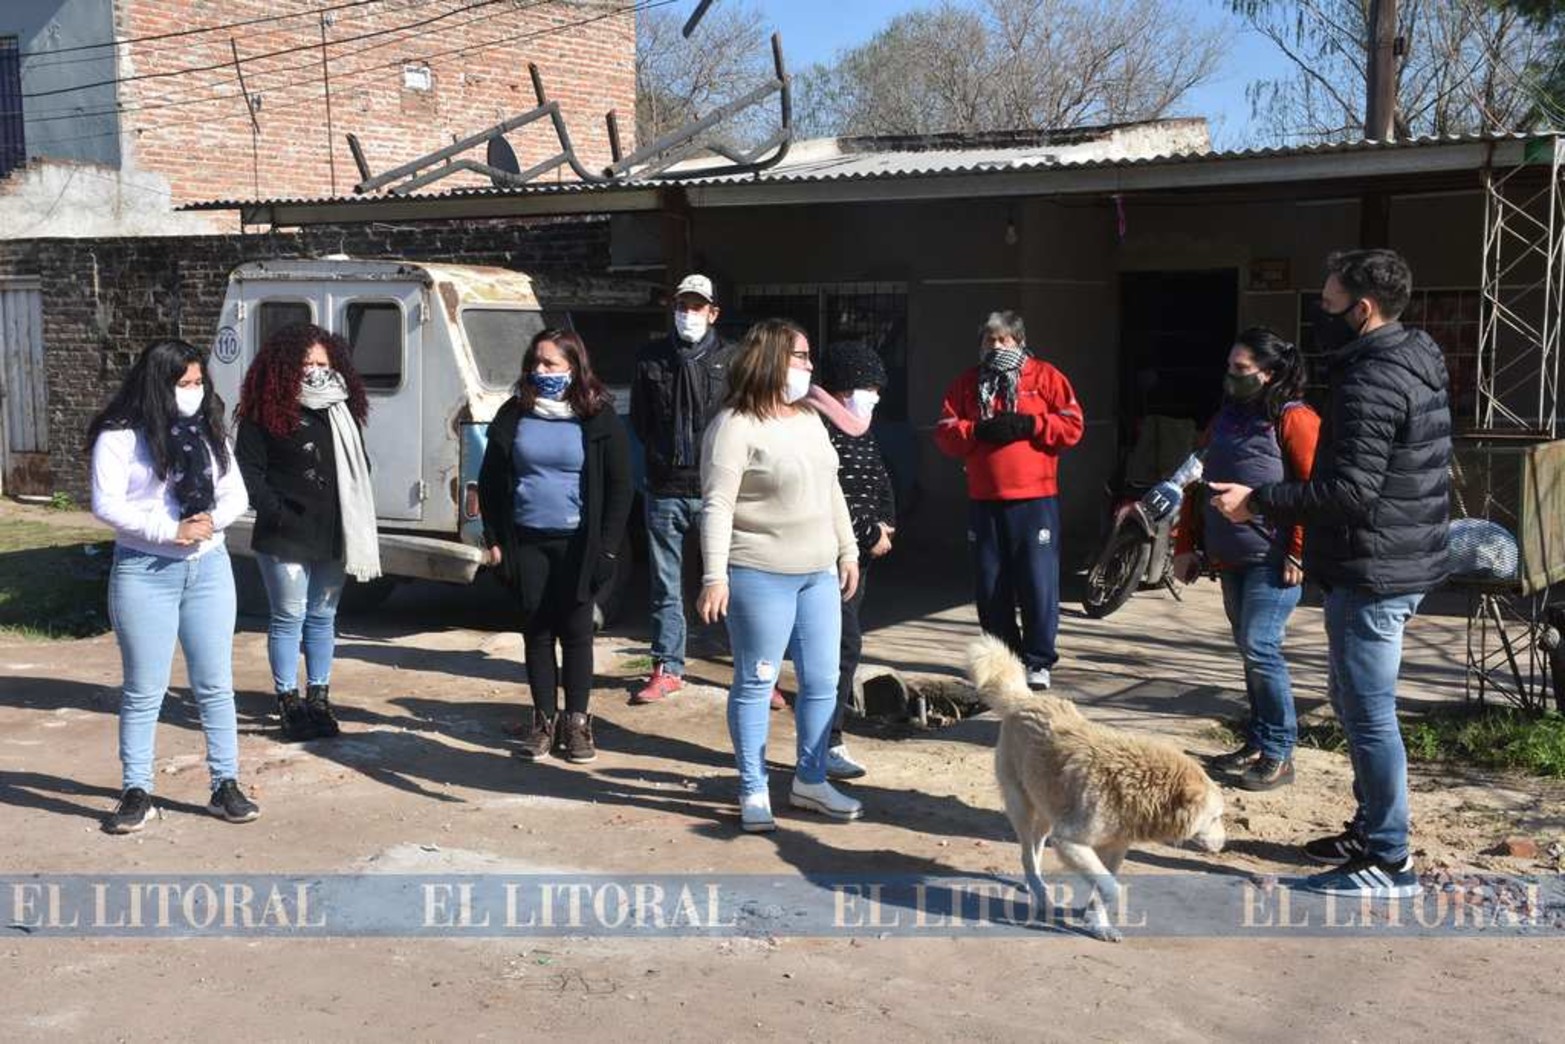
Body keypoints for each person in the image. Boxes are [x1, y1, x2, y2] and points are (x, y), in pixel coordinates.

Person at [1210, 248, 1451, 898]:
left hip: (1375, 567)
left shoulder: (1372, 380)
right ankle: (1370, 828)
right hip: (1388, 559)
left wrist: (1257, 500)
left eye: (1327, 303)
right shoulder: (1413, 359)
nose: (1320, 313)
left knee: (1368, 714)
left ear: (1361, 308)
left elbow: (1348, 491)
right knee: (1352, 704)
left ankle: (1388, 859)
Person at [697, 319, 862, 832]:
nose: (809, 366)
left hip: (818, 573)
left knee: (822, 680)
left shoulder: (810, 418)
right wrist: (713, 575)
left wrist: (848, 549)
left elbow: (831, 487)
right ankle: (753, 787)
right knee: (756, 680)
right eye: (801, 356)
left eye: (809, 356)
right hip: (758, 575)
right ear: (769, 359)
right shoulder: (734, 426)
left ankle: (810, 779)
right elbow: (717, 505)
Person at [88, 339, 258, 833]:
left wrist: (208, 522)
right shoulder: (120, 436)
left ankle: (225, 784)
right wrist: (171, 530)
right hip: (145, 569)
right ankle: (136, 789)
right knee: (145, 689)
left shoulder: (208, 430)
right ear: (156, 384)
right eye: (183, 384)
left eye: (198, 382)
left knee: (215, 684)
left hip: (208, 568)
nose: (193, 392)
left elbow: (235, 492)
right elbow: (107, 503)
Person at [1172, 328, 1320, 792]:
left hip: (1272, 559)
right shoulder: (1225, 420)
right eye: (1230, 367)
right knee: (1250, 653)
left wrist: (1298, 547)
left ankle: (1279, 752)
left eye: (1241, 369)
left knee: (1260, 647)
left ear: (1269, 373)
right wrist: (1186, 546)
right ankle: (1257, 743)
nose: (1231, 376)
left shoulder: (1295, 420)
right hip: (1230, 557)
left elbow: (1312, 491)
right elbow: (1196, 484)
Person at [479, 329, 632, 763]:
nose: (540, 371)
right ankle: (544, 720)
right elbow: (491, 481)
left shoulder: (598, 416)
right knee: (538, 630)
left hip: (579, 543)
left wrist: (608, 548)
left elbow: (620, 488)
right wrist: (494, 539)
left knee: (577, 632)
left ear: (573, 367)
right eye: (536, 363)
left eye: (550, 364)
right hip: (527, 540)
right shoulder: (515, 413)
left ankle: (578, 723)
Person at [236, 322, 379, 742]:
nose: (315, 370)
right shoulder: (262, 414)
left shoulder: (341, 409)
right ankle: (288, 700)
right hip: (285, 532)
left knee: (322, 617)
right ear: (284, 367)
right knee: (289, 616)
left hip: (333, 531)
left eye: (322, 362)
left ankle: (319, 697)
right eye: (306, 363)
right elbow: (249, 473)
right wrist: (278, 510)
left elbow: (360, 466)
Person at [934, 311, 1084, 690]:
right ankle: (1006, 660)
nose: (996, 347)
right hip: (984, 500)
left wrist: (1032, 424)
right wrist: (978, 429)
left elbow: (1072, 426)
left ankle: (1038, 661)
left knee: (1037, 583)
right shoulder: (967, 384)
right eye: (989, 340)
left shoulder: (1046, 377)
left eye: (1004, 340)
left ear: (1019, 341)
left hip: (1035, 499)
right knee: (990, 585)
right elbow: (946, 432)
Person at [628, 274, 751, 705]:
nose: (688, 314)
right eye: (683, 305)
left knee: (738, 582)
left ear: (713, 312)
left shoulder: (734, 359)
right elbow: (641, 423)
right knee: (666, 586)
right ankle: (667, 667)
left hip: (719, 489)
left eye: (697, 306)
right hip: (665, 488)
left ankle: (755, 671)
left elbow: (743, 419)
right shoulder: (651, 359)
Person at [806, 342, 897, 781]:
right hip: (828, 556)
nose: (874, 396)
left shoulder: (860, 425)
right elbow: (829, 493)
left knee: (843, 648)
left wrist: (887, 524)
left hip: (858, 559)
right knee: (840, 650)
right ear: (842, 388)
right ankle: (826, 743)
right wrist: (868, 532)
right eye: (867, 387)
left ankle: (827, 740)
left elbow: (879, 478)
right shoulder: (815, 425)